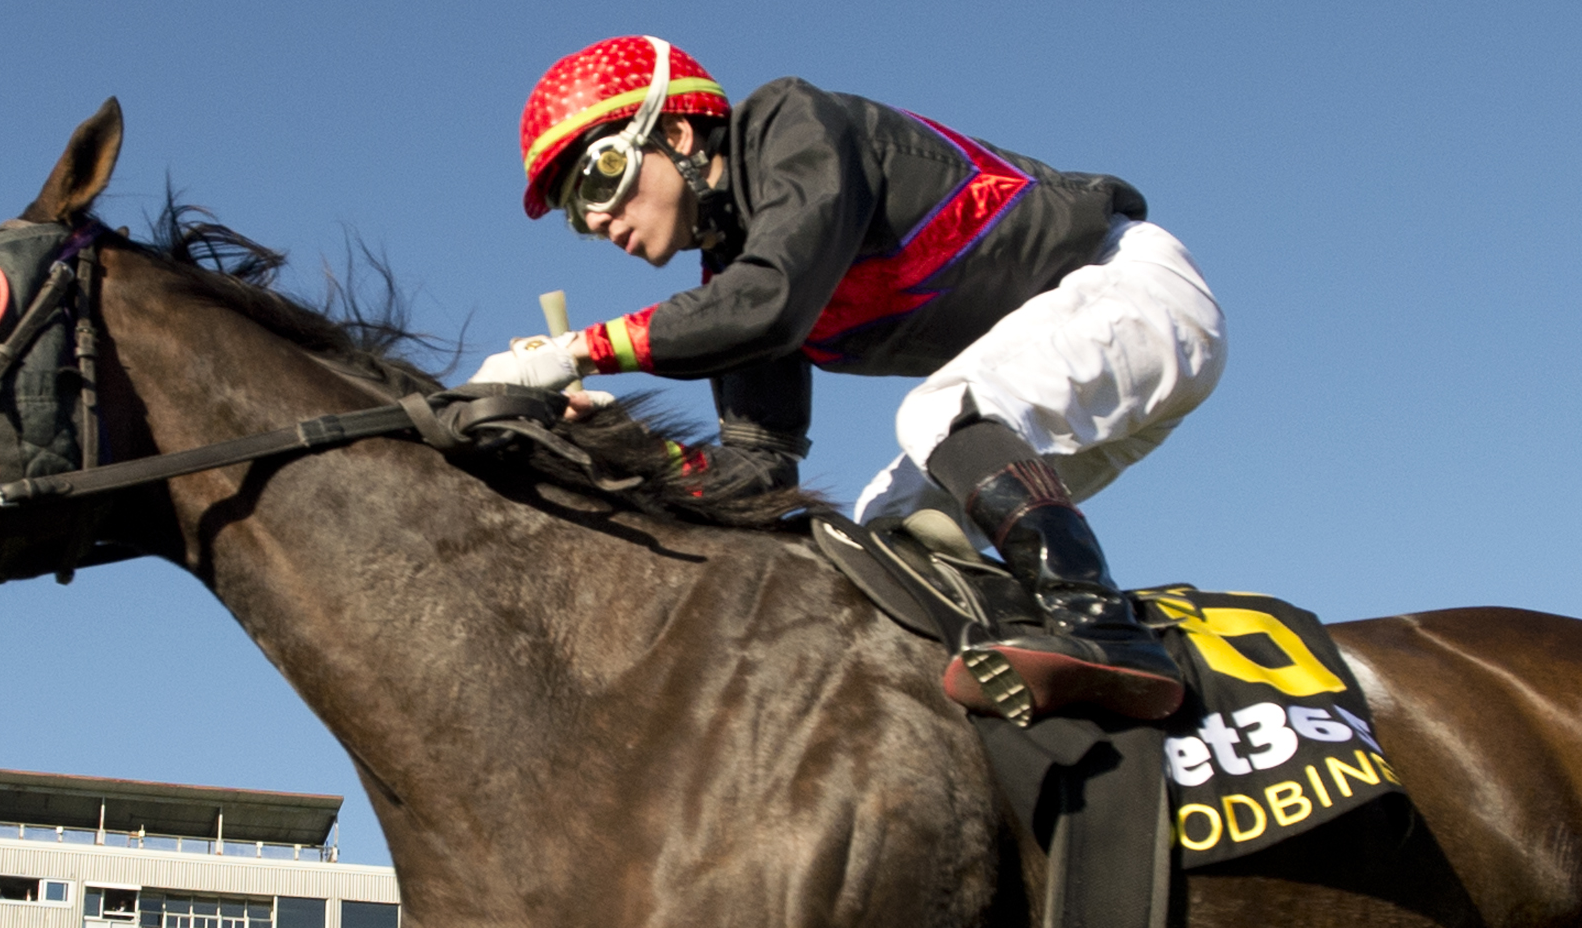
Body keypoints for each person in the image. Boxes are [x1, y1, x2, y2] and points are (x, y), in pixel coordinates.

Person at [478, 35, 1221, 719]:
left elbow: (767, 303)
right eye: (578, 213)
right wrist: (624, 443)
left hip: (1134, 292)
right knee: (883, 536)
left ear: (674, 133)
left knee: (936, 415)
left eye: (601, 177)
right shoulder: (736, 275)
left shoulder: (788, 124)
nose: (600, 220)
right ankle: (1029, 696)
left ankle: (1106, 632)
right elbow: (760, 473)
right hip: (1073, 379)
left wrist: (580, 349)